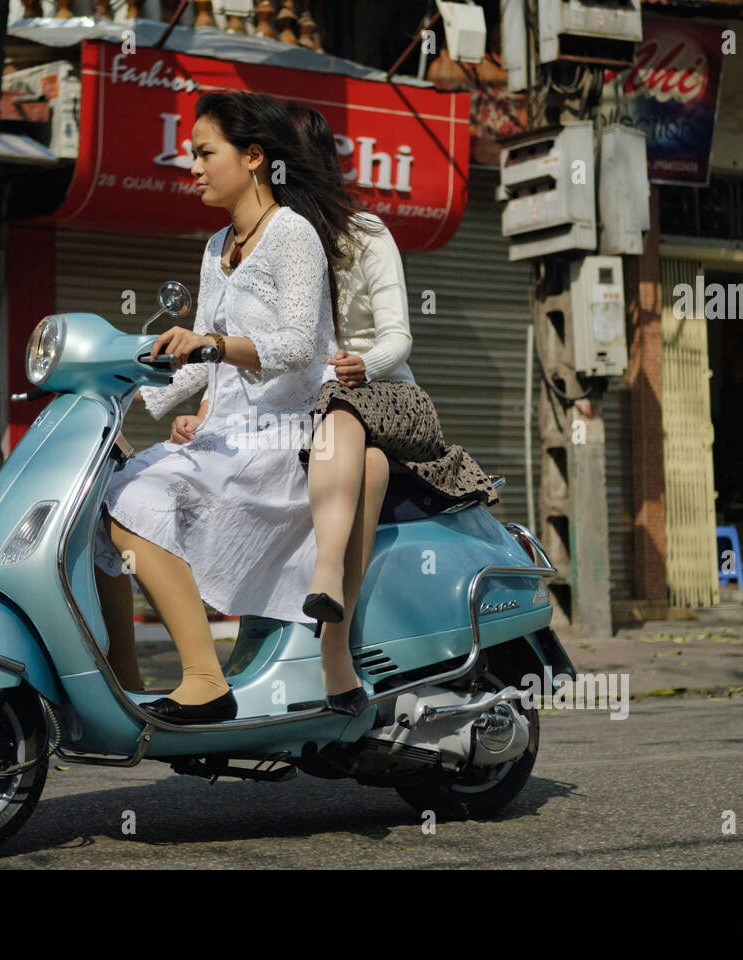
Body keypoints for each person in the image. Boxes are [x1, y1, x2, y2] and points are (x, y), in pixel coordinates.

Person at [90, 90, 363, 724]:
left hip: (281, 438)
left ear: (253, 157)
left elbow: (300, 346)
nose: (192, 166)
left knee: (135, 500)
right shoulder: (217, 246)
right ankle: (124, 675)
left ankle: (204, 679)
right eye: (192, 154)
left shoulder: (293, 234)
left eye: (205, 152)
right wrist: (126, 389)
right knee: (101, 494)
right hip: (224, 434)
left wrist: (209, 343)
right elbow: (203, 354)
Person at [287, 102, 501, 718]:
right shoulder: (270, 244)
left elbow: (399, 337)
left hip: (390, 397)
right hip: (322, 419)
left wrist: (363, 365)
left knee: (344, 407)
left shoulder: (366, 234)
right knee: (370, 471)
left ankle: (326, 573)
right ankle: (336, 651)